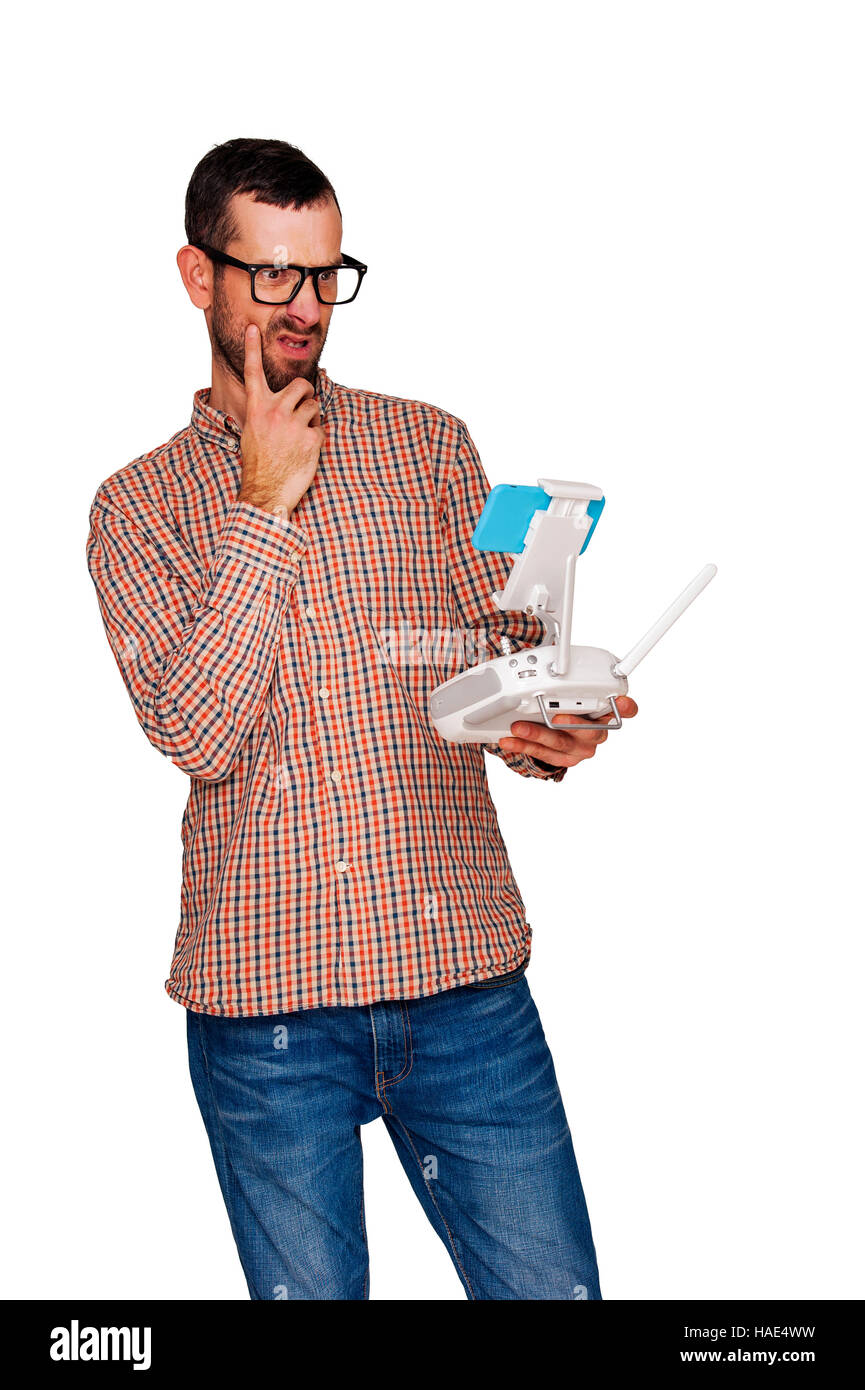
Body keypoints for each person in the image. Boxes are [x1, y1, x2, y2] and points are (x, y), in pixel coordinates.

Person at [85, 137, 637, 1301]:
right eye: (271, 274)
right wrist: (265, 503)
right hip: (266, 1018)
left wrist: (538, 723)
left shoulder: (431, 444)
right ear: (201, 276)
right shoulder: (134, 507)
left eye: (325, 274)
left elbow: (475, 660)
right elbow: (197, 730)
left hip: (464, 987)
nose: (304, 306)